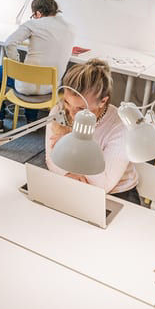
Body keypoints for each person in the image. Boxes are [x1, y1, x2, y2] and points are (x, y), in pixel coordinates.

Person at [44, 60, 140, 203]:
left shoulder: (119, 125)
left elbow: (103, 184)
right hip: (69, 182)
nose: (71, 114)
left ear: (103, 101)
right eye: (67, 102)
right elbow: (51, 159)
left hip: (115, 193)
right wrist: (69, 175)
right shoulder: (60, 111)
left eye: (81, 109)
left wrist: (71, 147)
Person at [0, 0, 76, 127]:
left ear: (38, 13)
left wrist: (16, 67)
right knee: (35, 72)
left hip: (27, 87)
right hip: (52, 88)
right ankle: (31, 121)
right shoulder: (71, 28)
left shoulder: (33, 24)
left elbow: (9, 43)